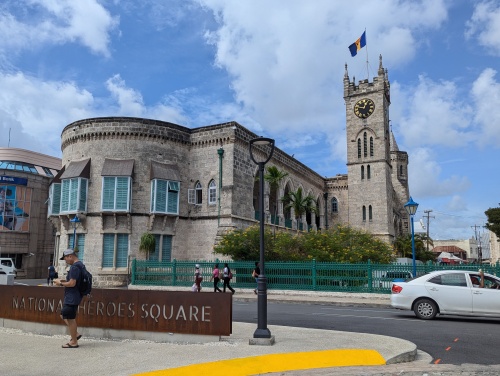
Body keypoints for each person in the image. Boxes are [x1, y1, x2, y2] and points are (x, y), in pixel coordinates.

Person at [53, 249, 85, 348]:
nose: (65, 261)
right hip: (75, 295)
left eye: (65, 259)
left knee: (70, 318)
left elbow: (72, 283)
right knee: (64, 315)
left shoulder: (74, 267)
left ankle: (74, 342)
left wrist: (60, 283)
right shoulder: (81, 265)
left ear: (70, 256)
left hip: (72, 297)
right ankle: (76, 334)